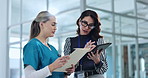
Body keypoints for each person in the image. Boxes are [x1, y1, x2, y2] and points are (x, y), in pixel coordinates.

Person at [23, 11, 75, 78]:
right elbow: (29, 76)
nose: (55, 28)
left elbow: (55, 73)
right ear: (42, 24)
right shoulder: (32, 45)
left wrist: (66, 72)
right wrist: (52, 66)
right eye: (53, 24)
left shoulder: (52, 48)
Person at [64, 10, 108, 78]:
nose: (87, 27)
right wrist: (82, 51)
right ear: (79, 21)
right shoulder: (69, 41)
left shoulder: (99, 40)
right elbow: (66, 67)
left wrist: (97, 61)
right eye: (84, 23)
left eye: (91, 25)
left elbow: (104, 69)